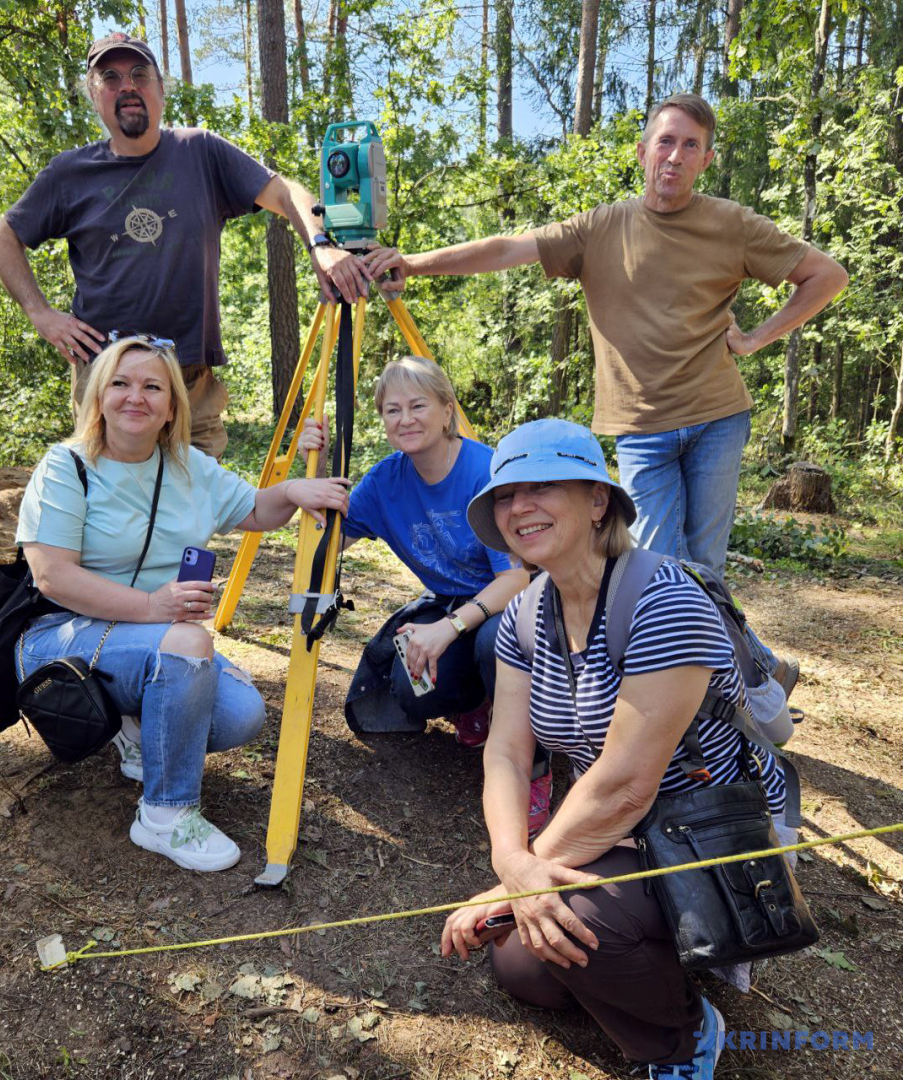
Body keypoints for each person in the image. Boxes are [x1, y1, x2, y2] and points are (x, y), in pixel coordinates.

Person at [363, 93, 848, 585]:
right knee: (657, 563)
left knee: (705, 563)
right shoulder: (600, 227)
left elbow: (826, 275)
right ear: (643, 151)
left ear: (707, 159)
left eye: (690, 145)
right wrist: (414, 263)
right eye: (665, 142)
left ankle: (723, 663)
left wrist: (755, 340)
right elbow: (508, 248)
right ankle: (745, 660)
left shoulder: (733, 224)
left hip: (717, 418)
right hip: (641, 428)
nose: (675, 155)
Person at [439, 418, 795, 1079]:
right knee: (526, 965)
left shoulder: (664, 600)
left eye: (542, 487)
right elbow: (508, 753)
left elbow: (626, 784)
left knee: (573, 927)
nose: (520, 507)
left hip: (713, 829)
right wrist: (512, 861)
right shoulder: (525, 610)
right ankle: (653, 959)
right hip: (626, 830)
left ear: (598, 501)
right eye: (506, 496)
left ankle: (684, 1041)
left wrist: (507, 887)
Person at [15, 335, 350, 871]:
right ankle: (165, 814)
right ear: (97, 396)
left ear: (173, 407)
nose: (136, 397)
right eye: (121, 384)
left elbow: (256, 512)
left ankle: (135, 729)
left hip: (153, 637)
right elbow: (53, 578)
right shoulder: (65, 466)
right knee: (189, 640)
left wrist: (290, 493)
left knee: (241, 715)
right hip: (61, 640)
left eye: (154, 387)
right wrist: (155, 606)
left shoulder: (190, 466)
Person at [0, 31, 371, 459]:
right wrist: (39, 313)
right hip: (107, 381)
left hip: (189, 382)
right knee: (109, 511)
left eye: (139, 74)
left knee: (193, 511)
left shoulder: (200, 152)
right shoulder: (70, 173)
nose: (127, 86)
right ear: (94, 95)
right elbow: (4, 236)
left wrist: (321, 245)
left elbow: (285, 193)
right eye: (110, 77)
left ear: (160, 89)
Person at [299, 357, 551, 832]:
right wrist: (314, 479)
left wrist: (447, 629)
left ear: (445, 409)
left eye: (418, 405)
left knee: (494, 640)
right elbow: (321, 549)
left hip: (519, 606)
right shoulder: (385, 482)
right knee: (411, 691)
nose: (406, 419)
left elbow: (518, 579)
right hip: (451, 607)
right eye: (392, 410)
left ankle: (533, 768)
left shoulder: (485, 471)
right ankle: (476, 706)